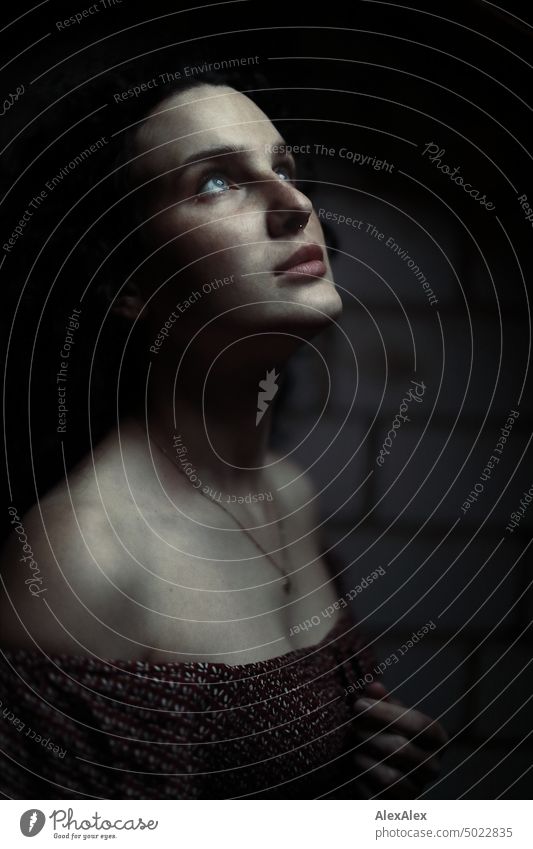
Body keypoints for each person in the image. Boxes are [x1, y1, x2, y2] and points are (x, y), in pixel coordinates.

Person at [0, 63, 448, 798]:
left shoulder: (285, 490)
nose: (291, 203)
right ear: (127, 284)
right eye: (214, 182)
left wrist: (365, 774)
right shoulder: (84, 564)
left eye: (284, 167)